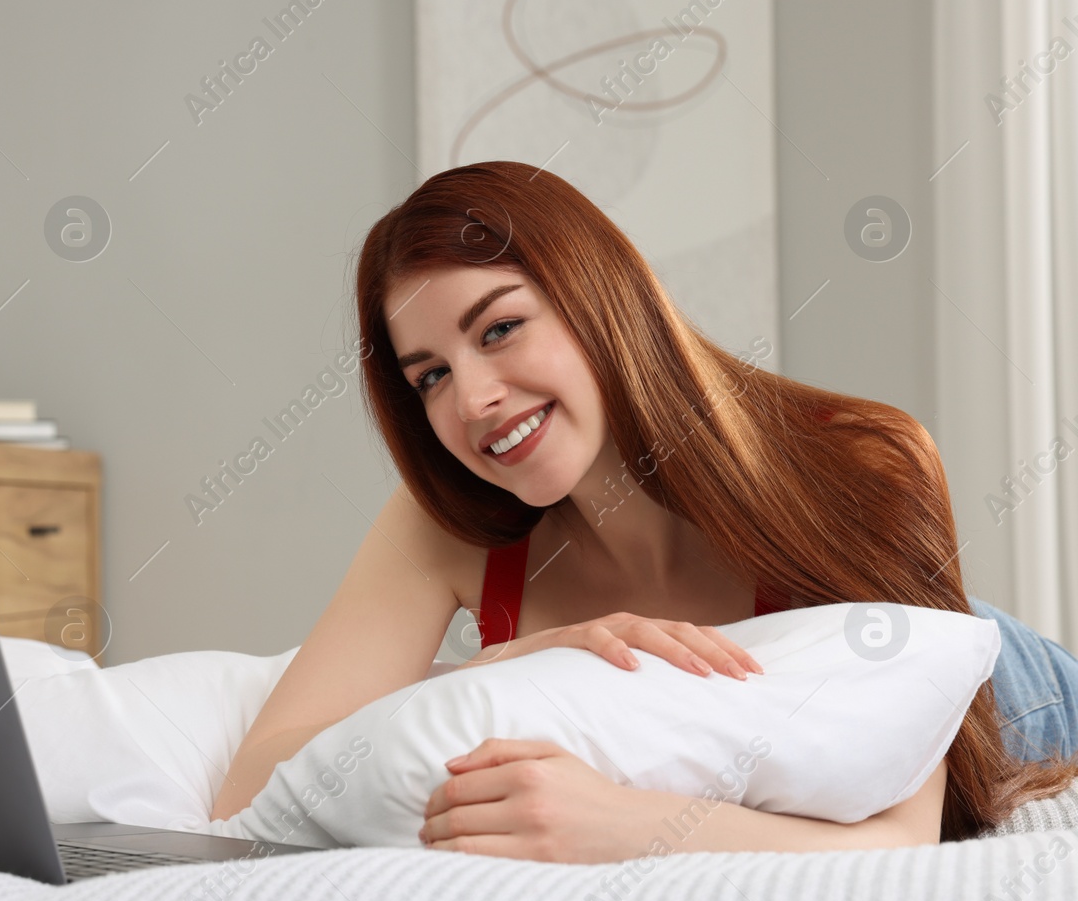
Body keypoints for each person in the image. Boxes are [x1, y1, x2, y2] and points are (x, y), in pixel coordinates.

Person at [209, 161, 1078, 860]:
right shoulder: (444, 525)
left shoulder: (863, 461)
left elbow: (900, 838)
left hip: (1026, 701)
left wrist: (626, 827)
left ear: (600, 301)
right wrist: (514, 662)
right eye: (429, 374)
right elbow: (251, 789)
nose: (471, 397)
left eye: (500, 328)